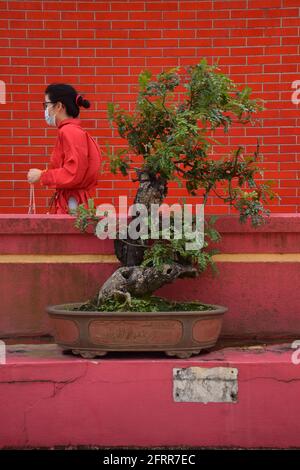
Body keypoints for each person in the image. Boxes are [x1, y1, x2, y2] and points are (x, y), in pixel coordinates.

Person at [27, 83, 101, 214]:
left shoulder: (68, 132)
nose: (45, 110)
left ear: (59, 106)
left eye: (46, 105)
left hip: (71, 204)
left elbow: (73, 173)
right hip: (74, 202)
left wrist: (42, 175)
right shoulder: (73, 131)